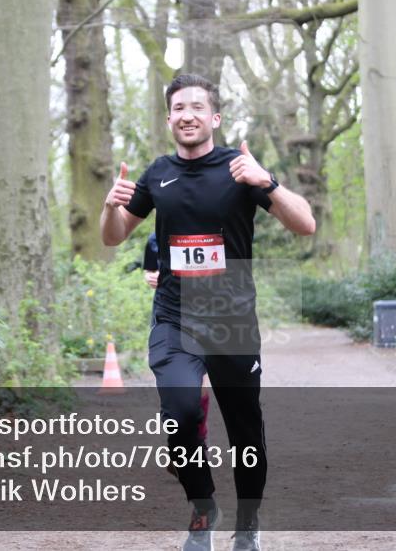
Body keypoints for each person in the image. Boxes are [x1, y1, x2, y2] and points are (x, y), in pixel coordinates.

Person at [102, 74, 315, 551]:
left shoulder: (241, 169)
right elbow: (113, 236)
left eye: (198, 107)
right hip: (175, 317)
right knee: (178, 413)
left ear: (214, 118)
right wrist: (108, 207)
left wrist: (270, 183)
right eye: (179, 108)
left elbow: (306, 224)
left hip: (232, 319)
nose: (188, 115)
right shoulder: (157, 175)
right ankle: (203, 508)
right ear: (169, 118)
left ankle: (248, 522)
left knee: (244, 430)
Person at [144, 231, 211, 470]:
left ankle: (197, 440)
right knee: (177, 384)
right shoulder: (155, 239)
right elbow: (150, 273)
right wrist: (151, 277)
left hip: (208, 313)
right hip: (170, 315)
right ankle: (180, 443)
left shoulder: (218, 229)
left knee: (200, 383)